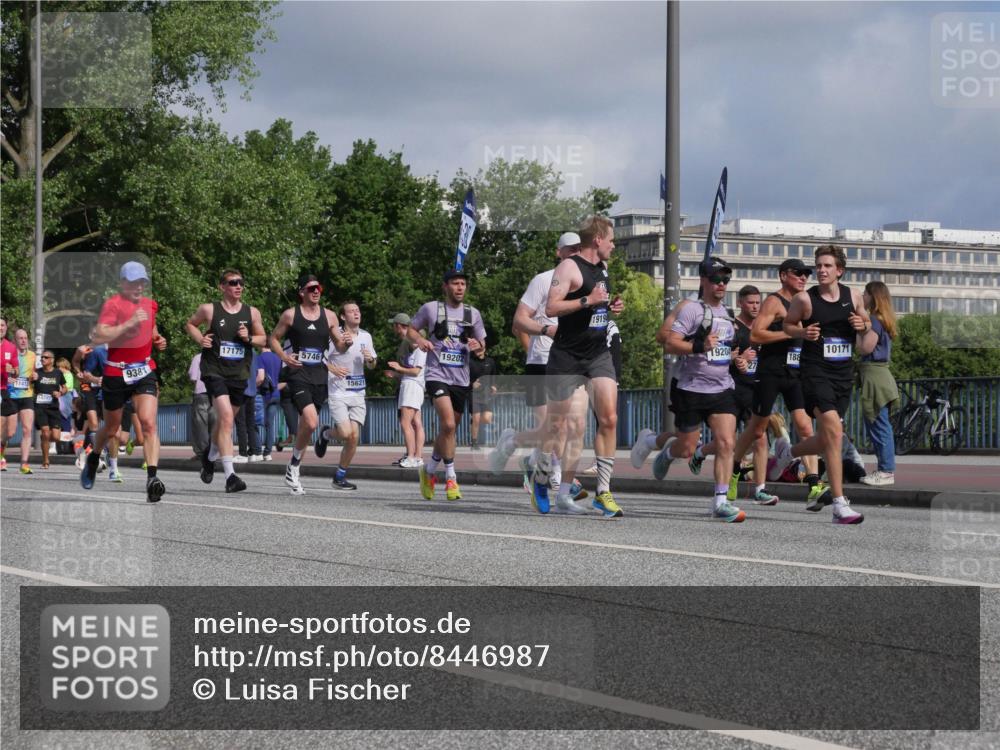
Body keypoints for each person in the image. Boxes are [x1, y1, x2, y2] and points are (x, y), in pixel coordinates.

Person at [775, 245, 876, 525]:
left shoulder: (853, 296)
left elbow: (867, 323)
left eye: (827, 266)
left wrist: (862, 325)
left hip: (843, 374)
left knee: (830, 436)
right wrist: (802, 331)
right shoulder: (805, 299)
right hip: (814, 371)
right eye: (818, 265)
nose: (821, 270)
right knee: (833, 430)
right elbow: (787, 326)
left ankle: (789, 452)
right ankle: (839, 504)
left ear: (839, 270)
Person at [534, 215, 625, 518]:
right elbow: (551, 307)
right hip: (568, 356)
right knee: (557, 425)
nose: (614, 245)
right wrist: (588, 299)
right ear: (597, 239)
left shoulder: (603, 268)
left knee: (609, 418)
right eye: (611, 240)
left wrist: (608, 306)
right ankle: (541, 478)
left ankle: (603, 492)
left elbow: (596, 305)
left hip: (598, 354)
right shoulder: (569, 267)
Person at [491, 232, 587, 509]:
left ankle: (534, 461)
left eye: (578, 249)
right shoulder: (543, 280)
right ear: (559, 252)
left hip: (571, 363)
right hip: (541, 363)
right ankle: (534, 462)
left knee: (567, 426)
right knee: (552, 427)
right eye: (569, 249)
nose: (574, 253)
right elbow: (518, 323)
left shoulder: (586, 283)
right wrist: (535, 346)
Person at [654, 257, 747, 523]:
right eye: (716, 279)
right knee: (686, 448)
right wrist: (699, 346)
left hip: (722, 388)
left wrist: (736, 359)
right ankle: (668, 453)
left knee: (727, 442)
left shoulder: (728, 314)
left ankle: (721, 502)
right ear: (703, 280)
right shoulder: (692, 310)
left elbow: (723, 351)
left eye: (725, 280)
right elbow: (670, 343)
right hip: (691, 388)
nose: (721, 284)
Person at [79, 261, 168, 503]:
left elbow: (151, 330)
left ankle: (152, 479)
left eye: (142, 282)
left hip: (144, 370)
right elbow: (100, 334)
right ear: (122, 283)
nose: (138, 286)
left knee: (149, 423)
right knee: (111, 429)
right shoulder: (113, 304)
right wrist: (129, 323)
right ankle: (94, 458)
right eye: (133, 282)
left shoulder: (150, 305)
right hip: (116, 373)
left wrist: (158, 340)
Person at [408, 269, 487, 501]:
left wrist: (478, 348)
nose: (460, 287)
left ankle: (429, 471)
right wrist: (420, 339)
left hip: (461, 379)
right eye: (455, 283)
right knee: (450, 425)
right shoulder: (431, 308)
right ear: (445, 286)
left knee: (447, 430)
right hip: (436, 374)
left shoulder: (473, 313)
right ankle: (451, 478)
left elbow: (482, 346)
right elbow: (411, 330)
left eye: (463, 283)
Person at [186, 268, 267, 493]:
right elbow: (190, 324)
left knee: (224, 422)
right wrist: (200, 339)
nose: (238, 286)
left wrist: (248, 337)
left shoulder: (252, 313)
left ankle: (209, 456)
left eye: (241, 282)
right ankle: (231, 477)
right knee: (227, 417)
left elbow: (263, 340)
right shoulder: (209, 309)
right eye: (233, 283)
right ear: (222, 286)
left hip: (239, 373)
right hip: (214, 370)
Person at [269, 273, 346, 495]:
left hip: (320, 376)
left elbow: (340, 346)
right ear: (301, 292)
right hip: (298, 373)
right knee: (312, 422)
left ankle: (293, 469)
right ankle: (294, 466)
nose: (316, 292)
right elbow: (273, 339)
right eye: (311, 288)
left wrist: (347, 343)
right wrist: (284, 357)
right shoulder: (290, 315)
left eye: (318, 288)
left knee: (306, 425)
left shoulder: (330, 316)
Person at [315, 300, 378, 490]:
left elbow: (372, 365)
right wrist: (333, 369)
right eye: (351, 311)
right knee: (344, 433)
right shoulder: (336, 336)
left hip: (358, 392)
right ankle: (326, 434)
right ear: (343, 316)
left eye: (358, 310)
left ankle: (339, 476)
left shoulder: (366, 336)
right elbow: (320, 358)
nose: (356, 313)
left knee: (353, 437)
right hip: (338, 391)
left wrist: (370, 360)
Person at [859, 280, 899, 486]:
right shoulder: (884, 319)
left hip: (874, 376)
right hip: (881, 376)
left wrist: (857, 332)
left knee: (878, 424)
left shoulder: (874, 320)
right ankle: (885, 469)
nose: (862, 297)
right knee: (881, 424)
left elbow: (866, 348)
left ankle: (886, 471)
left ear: (872, 296)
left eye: (865, 294)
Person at [386, 313, 425, 468]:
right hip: (412, 385)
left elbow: (415, 371)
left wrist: (398, 368)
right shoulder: (415, 349)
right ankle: (417, 456)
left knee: (405, 422)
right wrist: (397, 374)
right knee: (416, 422)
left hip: (412, 386)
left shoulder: (419, 349)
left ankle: (411, 456)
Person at [8, 328, 37, 474]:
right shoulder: (8, 354)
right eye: (20, 338)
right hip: (11, 396)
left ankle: (24, 464)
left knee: (27, 429)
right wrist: (7, 379)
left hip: (27, 395)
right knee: (10, 432)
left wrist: (35, 376)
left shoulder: (32, 355)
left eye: (25, 338)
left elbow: (35, 372)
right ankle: (1, 456)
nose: (23, 340)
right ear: (15, 340)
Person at [33, 351, 66, 468]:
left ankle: (44, 439)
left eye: (46, 357)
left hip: (53, 407)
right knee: (45, 432)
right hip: (40, 407)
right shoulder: (37, 372)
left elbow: (65, 387)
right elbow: (28, 385)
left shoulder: (58, 373)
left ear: (52, 360)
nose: (43, 359)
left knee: (56, 437)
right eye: (42, 357)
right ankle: (46, 461)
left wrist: (60, 393)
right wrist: (31, 378)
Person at [235, 350, 264, 462]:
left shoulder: (238, 350)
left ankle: (242, 453)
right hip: (252, 391)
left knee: (240, 423)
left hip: (240, 390)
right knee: (251, 423)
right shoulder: (254, 353)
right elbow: (259, 375)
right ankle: (254, 452)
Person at [187, 352, 215, 459]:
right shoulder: (220, 356)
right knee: (215, 424)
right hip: (217, 394)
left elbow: (193, 377)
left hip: (201, 393)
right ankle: (214, 452)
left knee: (200, 425)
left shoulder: (198, 357)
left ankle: (203, 453)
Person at [468, 346, 497, 450]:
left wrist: (494, 385)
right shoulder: (469, 361)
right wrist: (472, 384)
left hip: (486, 394)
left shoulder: (490, 361)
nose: (478, 351)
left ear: (484, 349)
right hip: (473, 393)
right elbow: (463, 377)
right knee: (476, 418)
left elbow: (493, 375)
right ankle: (474, 442)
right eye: (476, 349)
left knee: (487, 419)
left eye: (480, 349)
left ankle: (473, 422)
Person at [256, 348, 283, 461]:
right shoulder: (278, 358)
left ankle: (257, 451)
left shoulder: (260, 358)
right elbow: (282, 378)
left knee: (255, 422)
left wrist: (253, 386)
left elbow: (260, 377)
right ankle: (267, 453)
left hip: (263, 395)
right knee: (270, 425)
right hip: (275, 394)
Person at [1, 317, 19, 472]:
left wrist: (12, 370)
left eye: (2, 325)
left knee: (10, 431)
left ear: (6, 328)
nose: (0, 328)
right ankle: (1, 459)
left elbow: (16, 371)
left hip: (4, 389)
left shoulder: (11, 347)